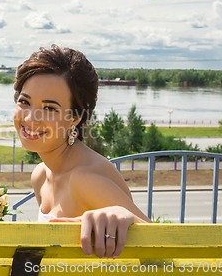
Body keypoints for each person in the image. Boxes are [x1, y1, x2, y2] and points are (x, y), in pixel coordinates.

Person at [13, 44, 151, 259]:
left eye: (49, 108)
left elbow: (161, 252)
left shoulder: (84, 178)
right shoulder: (41, 175)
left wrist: (126, 216)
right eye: (25, 102)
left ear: (75, 118)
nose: (30, 118)